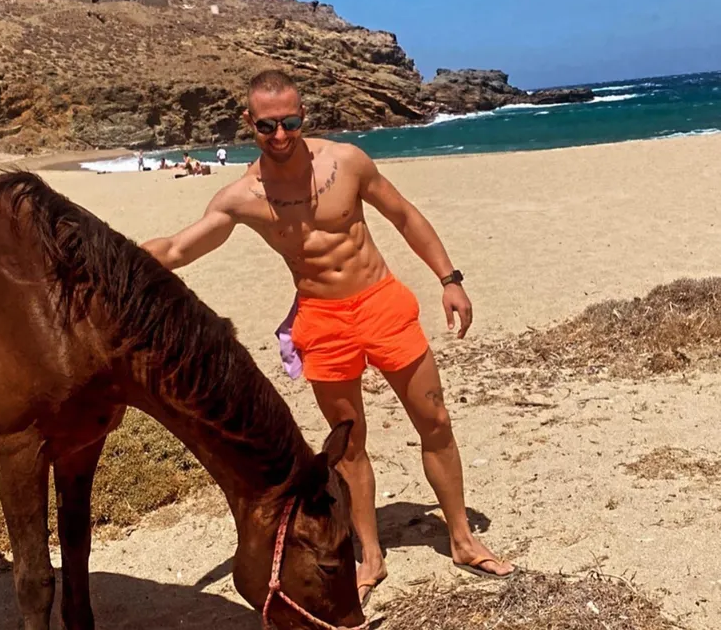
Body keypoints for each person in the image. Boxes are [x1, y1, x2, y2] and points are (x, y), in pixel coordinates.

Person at [141, 69, 514, 606]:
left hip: (382, 303)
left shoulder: (347, 162)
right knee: (349, 446)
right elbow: (178, 249)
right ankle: (371, 555)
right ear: (248, 122)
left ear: (304, 116)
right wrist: (108, 256)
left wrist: (449, 279)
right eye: (267, 125)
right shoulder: (242, 197)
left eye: (290, 122)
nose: (280, 135)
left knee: (434, 421)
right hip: (322, 320)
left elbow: (404, 215)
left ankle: (461, 538)